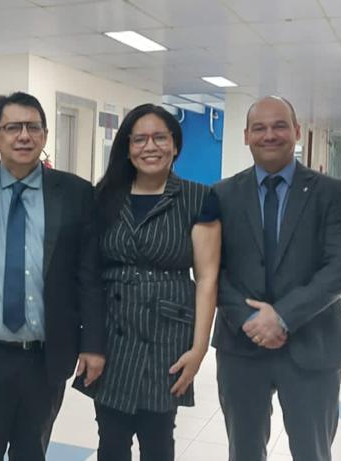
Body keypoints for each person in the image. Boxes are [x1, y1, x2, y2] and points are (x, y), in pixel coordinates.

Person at [0, 91, 106, 460]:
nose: (24, 136)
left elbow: (88, 275)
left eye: (33, 127)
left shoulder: (76, 193)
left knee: (32, 451)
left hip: (45, 356)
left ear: (46, 135)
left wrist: (93, 343)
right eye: (13, 127)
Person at [212, 96, 341, 461]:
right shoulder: (221, 194)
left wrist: (281, 317)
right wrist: (249, 319)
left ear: (296, 131)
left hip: (313, 343)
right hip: (241, 347)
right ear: (245, 136)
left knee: (312, 451)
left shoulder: (331, 193)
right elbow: (211, 269)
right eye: (259, 128)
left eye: (279, 126)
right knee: (243, 451)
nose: (269, 135)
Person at [78, 103, 221, 460]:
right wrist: (89, 341)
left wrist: (199, 348)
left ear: (175, 144)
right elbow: (89, 274)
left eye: (160, 137)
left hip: (167, 335)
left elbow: (206, 278)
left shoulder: (198, 198)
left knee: (158, 440)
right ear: (127, 148)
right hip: (113, 333)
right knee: (110, 438)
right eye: (139, 139)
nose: (150, 147)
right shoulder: (103, 196)